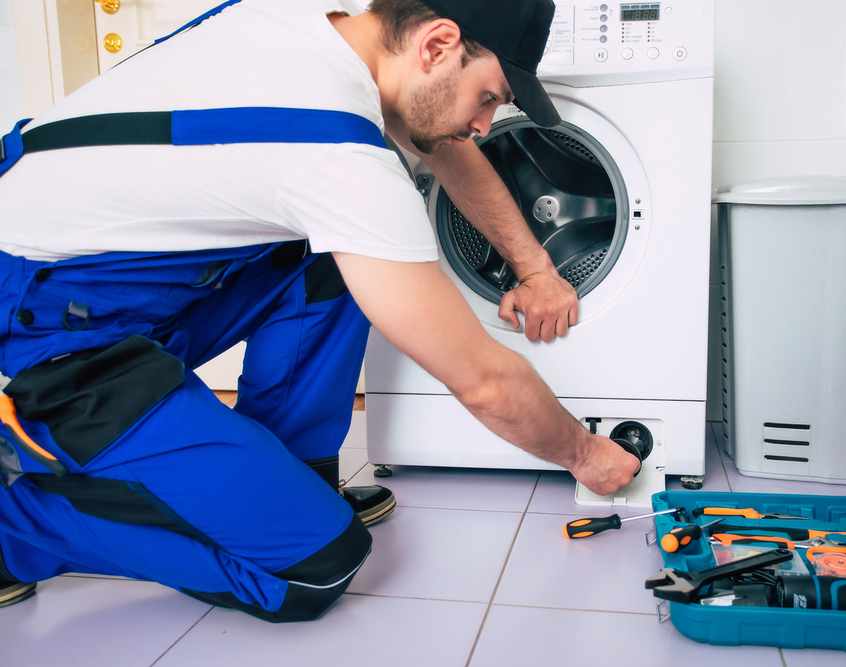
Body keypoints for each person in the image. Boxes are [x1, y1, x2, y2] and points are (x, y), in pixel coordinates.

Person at [0, 0, 639, 622]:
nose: (484, 126)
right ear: (437, 45)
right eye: (490, 97)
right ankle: (14, 528)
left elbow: (441, 143)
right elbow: (483, 380)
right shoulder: (333, 151)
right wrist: (583, 453)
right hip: (49, 334)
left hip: (110, 287)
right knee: (316, 566)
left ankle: (292, 477)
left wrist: (536, 269)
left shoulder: (320, 22)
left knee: (338, 257)